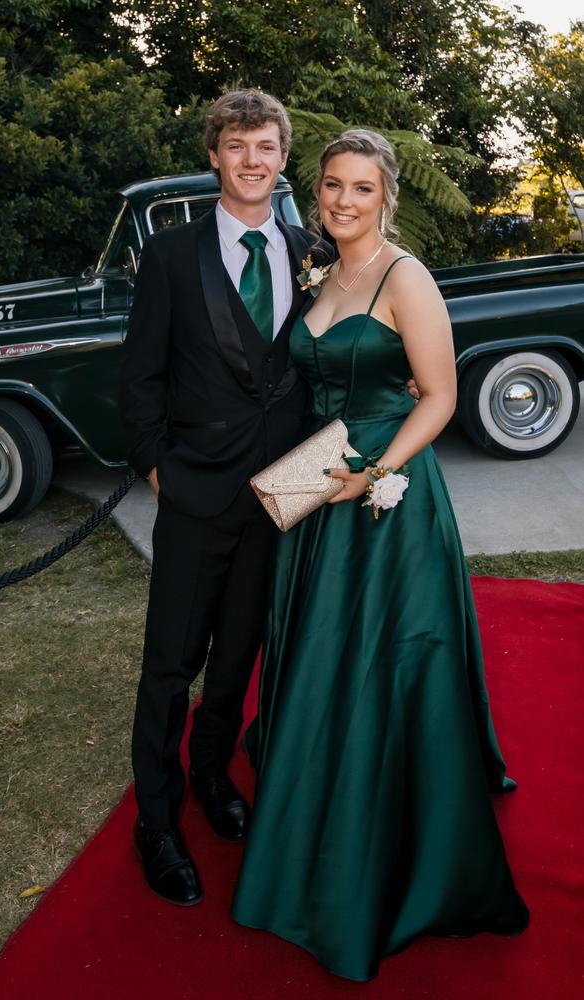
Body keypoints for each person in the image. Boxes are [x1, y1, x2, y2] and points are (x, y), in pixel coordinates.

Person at [232, 129, 530, 980]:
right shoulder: (319, 274)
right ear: (316, 193)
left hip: (381, 498)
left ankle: (383, 819)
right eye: (332, 186)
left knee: (375, 660)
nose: (344, 202)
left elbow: (438, 395)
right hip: (315, 485)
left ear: (385, 195)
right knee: (319, 653)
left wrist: (375, 474)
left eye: (361, 188)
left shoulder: (408, 277)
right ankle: (314, 787)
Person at [118, 89, 336, 907]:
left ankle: (212, 776)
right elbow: (137, 378)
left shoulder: (305, 246)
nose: (254, 160)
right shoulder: (172, 257)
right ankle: (158, 822)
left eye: (268, 147)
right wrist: (157, 468)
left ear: (284, 159)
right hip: (194, 492)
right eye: (238, 145)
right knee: (169, 667)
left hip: (280, 494)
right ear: (215, 154)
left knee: (239, 655)